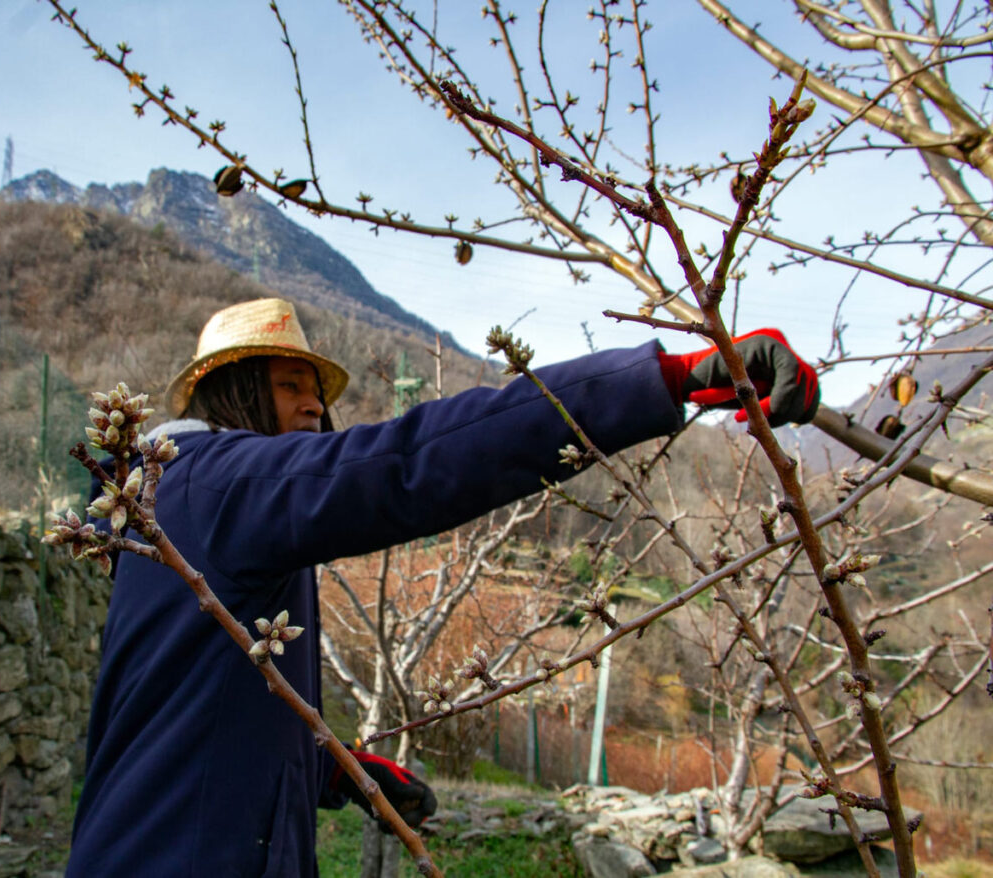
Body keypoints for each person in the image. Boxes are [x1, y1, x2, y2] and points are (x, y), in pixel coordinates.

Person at [65, 297, 819, 876]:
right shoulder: (219, 482)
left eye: (317, 392)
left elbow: (203, 703)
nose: (315, 408)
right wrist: (666, 380)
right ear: (231, 393)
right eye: (290, 384)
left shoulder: (186, 510)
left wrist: (342, 771)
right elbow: (410, 463)